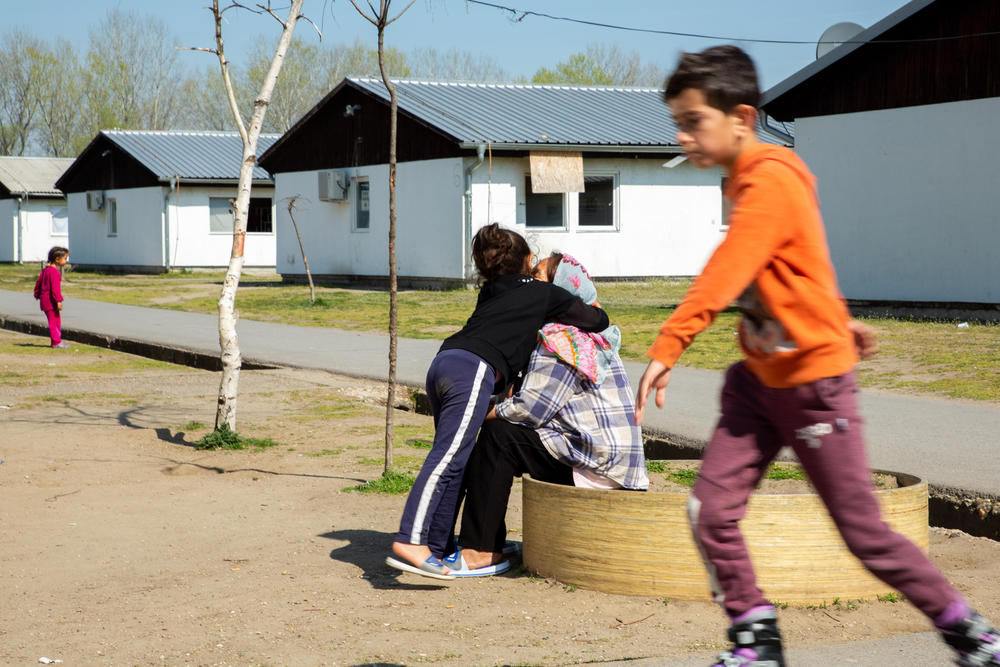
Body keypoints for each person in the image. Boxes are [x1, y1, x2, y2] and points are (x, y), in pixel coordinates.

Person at [633, 45, 1000, 667]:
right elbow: (794, 264)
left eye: (693, 120)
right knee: (708, 510)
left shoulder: (770, 178)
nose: (681, 134)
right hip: (756, 383)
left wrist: (670, 343)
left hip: (813, 387)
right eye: (678, 121)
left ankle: (970, 633)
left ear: (741, 118)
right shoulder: (740, 181)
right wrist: (835, 314)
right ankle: (756, 638)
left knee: (863, 534)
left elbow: (730, 268)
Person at [387, 225, 609, 581]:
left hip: (444, 363)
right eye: (532, 261)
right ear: (526, 260)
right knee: (447, 457)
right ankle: (411, 540)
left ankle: (438, 545)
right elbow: (597, 319)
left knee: (457, 460)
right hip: (473, 370)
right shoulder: (545, 293)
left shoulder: (491, 291)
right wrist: (589, 307)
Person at [452, 252, 648, 575]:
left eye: (539, 274)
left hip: (598, 465)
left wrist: (484, 413)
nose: (530, 278)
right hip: (610, 463)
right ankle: (487, 543)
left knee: (500, 437)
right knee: (504, 434)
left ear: (561, 290)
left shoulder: (563, 337)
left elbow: (532, 408)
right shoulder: (586, 333)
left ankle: (482, 550)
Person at [33, 246, 70, 349]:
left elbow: (38, 282)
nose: (66, 261)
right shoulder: (54, 272)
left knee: (54, 320)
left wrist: (37, 293)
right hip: (51, 301)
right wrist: (58, 300)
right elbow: (55, 289)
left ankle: (57, 340)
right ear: (57, 259)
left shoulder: (46, 270)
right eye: (65, 258)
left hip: (45, 300)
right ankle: (56, 342)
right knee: (55, 322)